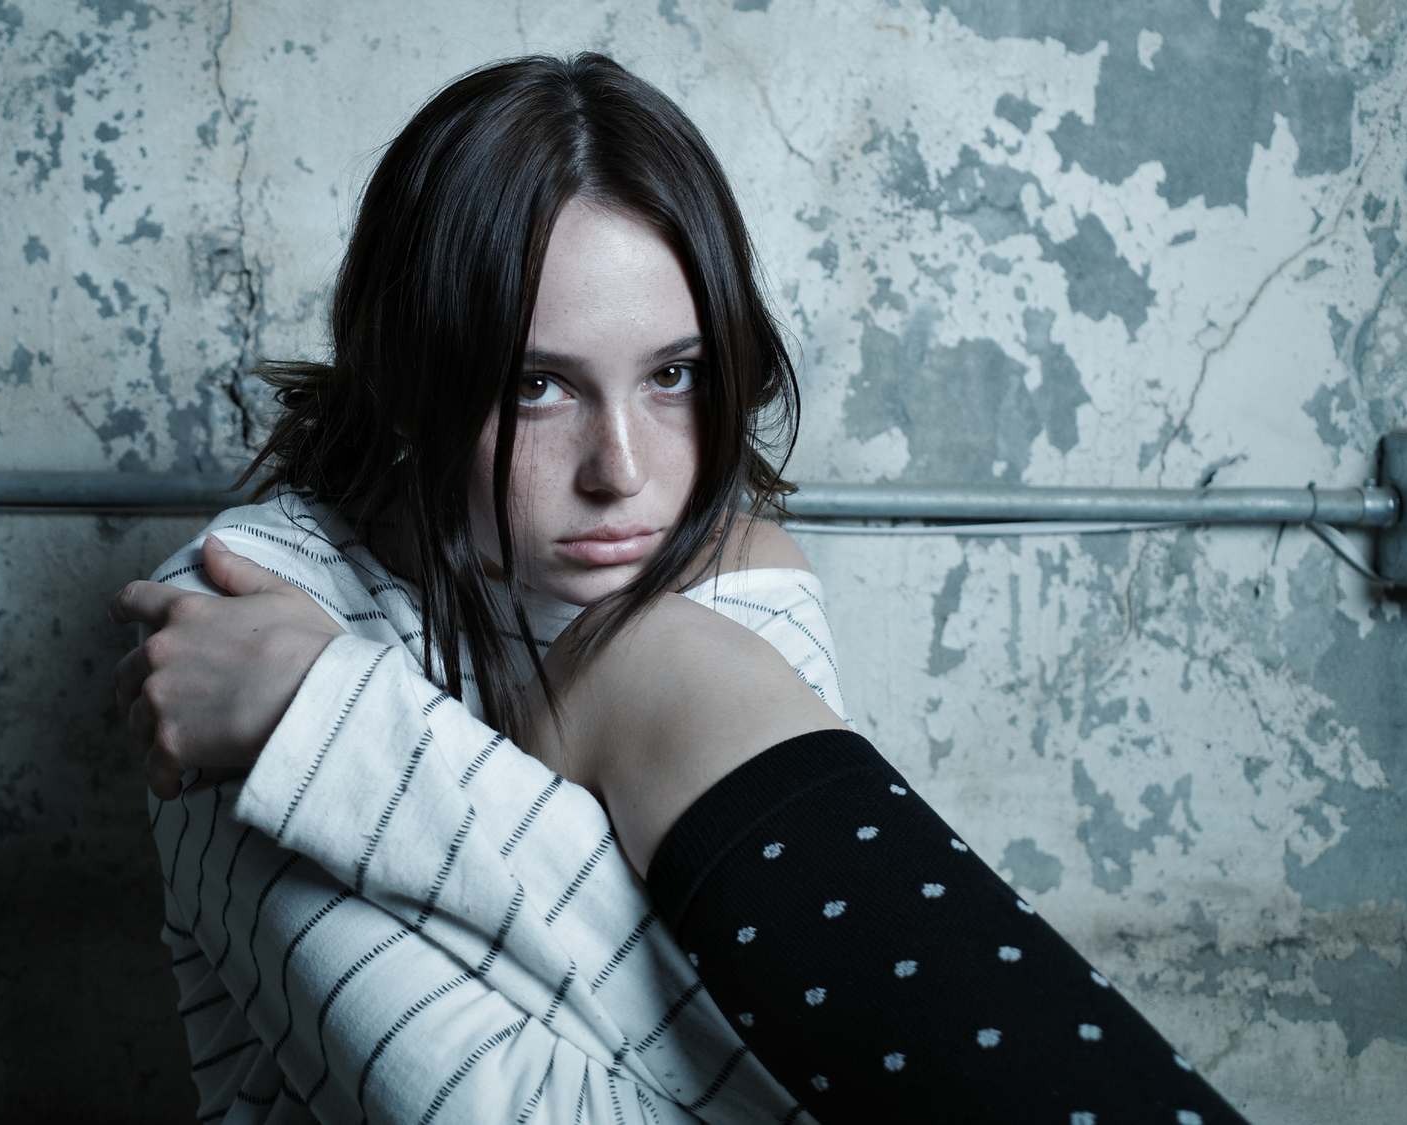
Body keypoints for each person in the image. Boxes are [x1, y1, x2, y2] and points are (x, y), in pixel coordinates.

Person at [112, 53, 1250, 1125]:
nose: (623, 472)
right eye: (538, 385)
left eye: (674, 375)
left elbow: (826, 1045)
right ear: (409, 382)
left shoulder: (719, 581)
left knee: (654, 657)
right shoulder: (234, 623)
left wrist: (342, 731)